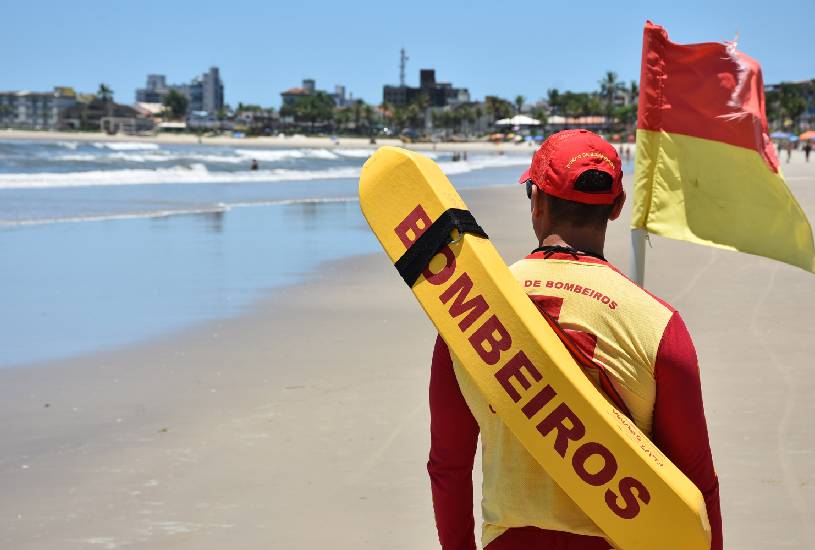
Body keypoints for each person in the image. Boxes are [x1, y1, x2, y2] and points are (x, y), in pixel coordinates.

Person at [427, 129, 722, 550]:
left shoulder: (468, 311)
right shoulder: (656, 323)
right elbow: (697, 486)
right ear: (617, 207)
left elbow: (448, 466)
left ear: (537, 201)